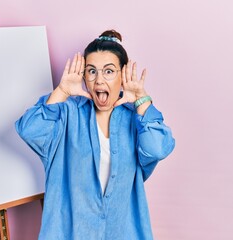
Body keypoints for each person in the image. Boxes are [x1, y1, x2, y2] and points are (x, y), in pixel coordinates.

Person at [15, 30, 175, 240]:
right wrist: (61, 91)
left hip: (122, 232)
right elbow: (29, 129)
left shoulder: (135, 119)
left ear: (123, 74)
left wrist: (141, 100)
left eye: (109, 71)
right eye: (91, 71)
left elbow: (158, 148)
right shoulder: (68, 113)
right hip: (69, 233)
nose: (99, 80)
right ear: (84, 76)